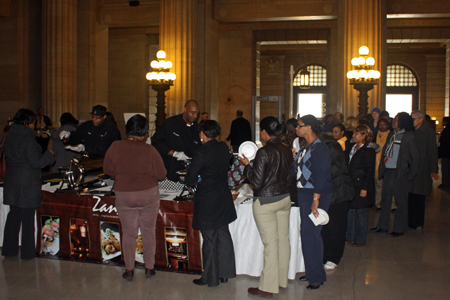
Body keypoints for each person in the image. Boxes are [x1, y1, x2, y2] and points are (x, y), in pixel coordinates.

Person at [103, 114, 166, 281]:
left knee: (128, 233)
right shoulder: (150, 150)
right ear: (145, 133)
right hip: (148, 194)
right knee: (148, 231)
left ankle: (129, 269)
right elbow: (162, 174)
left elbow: (107, 169)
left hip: (123, 194)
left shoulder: (115, 146)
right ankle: (149, 268)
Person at [241, 116, 293, 297]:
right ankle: (281, 280)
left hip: (266, 202)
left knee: (271, 244)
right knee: (283, 241)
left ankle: (268, 287)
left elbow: (257, 181)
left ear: (264, 132)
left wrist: (247, 166)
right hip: (284, 199)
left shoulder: (264, 152)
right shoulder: (287, 150)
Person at [185, 120, 237, 287]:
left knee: (209, 239)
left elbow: (190, 179)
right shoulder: (224, 148)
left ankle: (210, 278)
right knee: (223, 234)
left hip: (207, 200)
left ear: (202, 134)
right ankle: (225, 273)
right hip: (223, 197)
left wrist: (198, 178)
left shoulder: (201, 153)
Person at [2, 108, 55, 259]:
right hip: (27, 182)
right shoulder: (28, 140)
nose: (35, 126)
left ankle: (9, 249)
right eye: (33, 123)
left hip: (12, 180)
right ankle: (27, 252)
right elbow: (35, 162)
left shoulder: (10, 136)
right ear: (26, 123)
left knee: (13, 216)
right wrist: (49, 156)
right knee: (27, 219)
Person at [293, 115, 333, 290]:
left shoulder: (320, 148)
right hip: (304, 192)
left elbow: (322, 176)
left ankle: (316, 277)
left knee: (311, 235)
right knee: (308, 234)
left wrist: (316, 199)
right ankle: (313, 272)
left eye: (299, 126)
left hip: (316, 194)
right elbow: (297, 173)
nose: (296, 128)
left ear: (309, 127)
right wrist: (295, 158)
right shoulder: (305, 146)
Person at [371, 113, 420, 237]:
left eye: (397, 120)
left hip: (400, 173)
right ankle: (382, 226)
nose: (393, 121)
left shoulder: (408, 136)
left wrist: (410, 175)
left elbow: (415, 158)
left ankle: (399, 228)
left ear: (402, 122)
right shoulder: (392, 134)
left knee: (400, 201)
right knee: (385, 200)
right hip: (388, 171)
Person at [320, 133, 355, 270]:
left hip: (337, 193)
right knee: (324, 227)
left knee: (336, 227)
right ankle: (324, 255)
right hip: (325, 192)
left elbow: (335, 169)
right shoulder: (314, 146)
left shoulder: (332, 146)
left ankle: (334, 257)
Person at [151, 100, 201, 181]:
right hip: (171, 171)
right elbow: (156, 142)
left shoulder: (197, 128)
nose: (195, 116)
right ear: (185, 110)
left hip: (190, 173)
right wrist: (174, 153)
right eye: (192, 112)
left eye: (197, 113)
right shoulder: (171, 123)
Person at [346, 124, 376, 247]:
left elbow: (369, 171)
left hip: (361, 184)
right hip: (352, 184)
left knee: (362, 213)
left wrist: (365, 188)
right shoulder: (353, 147)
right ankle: (350, 235)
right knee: (351, 212)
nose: (353, 136)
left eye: (356, 134)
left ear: (364, 136)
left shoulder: (368, 151)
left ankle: (360, 238)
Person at [408, 110, 439, 230]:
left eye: (414, 119)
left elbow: (432, 152)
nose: (412, 121)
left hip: (422, 168)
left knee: (419, 196)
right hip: (411, 168)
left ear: (421, 119)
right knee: (410, 195)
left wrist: (433, 170)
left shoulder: (428, 133)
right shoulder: (411, 132)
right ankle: (411, 221)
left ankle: (418, 222)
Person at [374, 118, 392, 211]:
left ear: (387, 126)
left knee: (389, 186)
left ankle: (392, 205)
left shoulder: (390, 136)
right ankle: (378, 204)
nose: (382, 126)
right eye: (380, 124)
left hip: (387, 163)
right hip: (376, 163)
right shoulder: (374, 135)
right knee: (378, 185)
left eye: (384, 125)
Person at [438, 117, 450, 188]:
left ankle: (445, 182)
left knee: (445, 167)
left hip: (445, 152)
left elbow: (442, 141)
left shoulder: (446, 131)